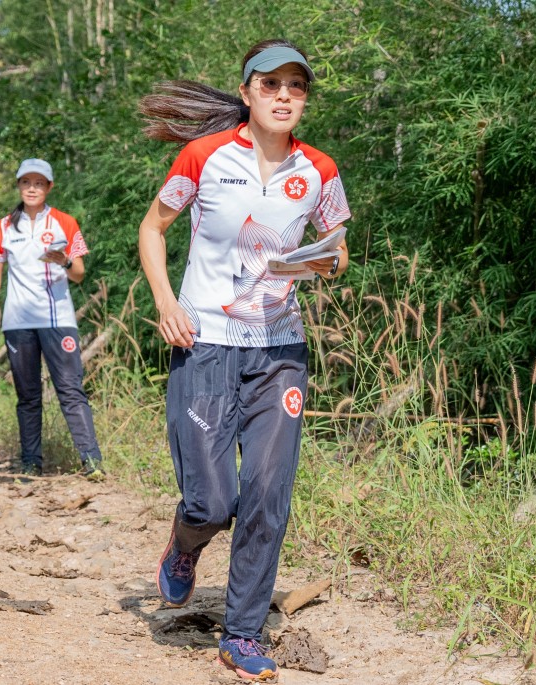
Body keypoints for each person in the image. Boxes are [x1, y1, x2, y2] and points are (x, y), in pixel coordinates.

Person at [138, 39, 350, 681]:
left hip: (280, 348)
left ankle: (243, 633)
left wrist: (321, 261)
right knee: (211, 501)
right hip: (204, 343)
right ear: (247, 91)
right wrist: (167, 302)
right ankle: (183, 547)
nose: (284, 95)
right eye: (271, 84)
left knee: (267, 493)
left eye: (296, 86)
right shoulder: (203, 156)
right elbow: (152, 230)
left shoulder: (320, 170)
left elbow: (338, 249)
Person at [0, 158, 105, 481]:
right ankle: (30, 463)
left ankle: (91, 462)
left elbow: (79, 274)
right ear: (19, 186)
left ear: (49, 187)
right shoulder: (4, 226)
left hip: (57, 319)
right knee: (27, 395)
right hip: (17, 320)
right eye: (26, 182)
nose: (32, 188)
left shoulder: (65, 222)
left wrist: (64, 260)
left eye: (39, 183)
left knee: (70, 389)